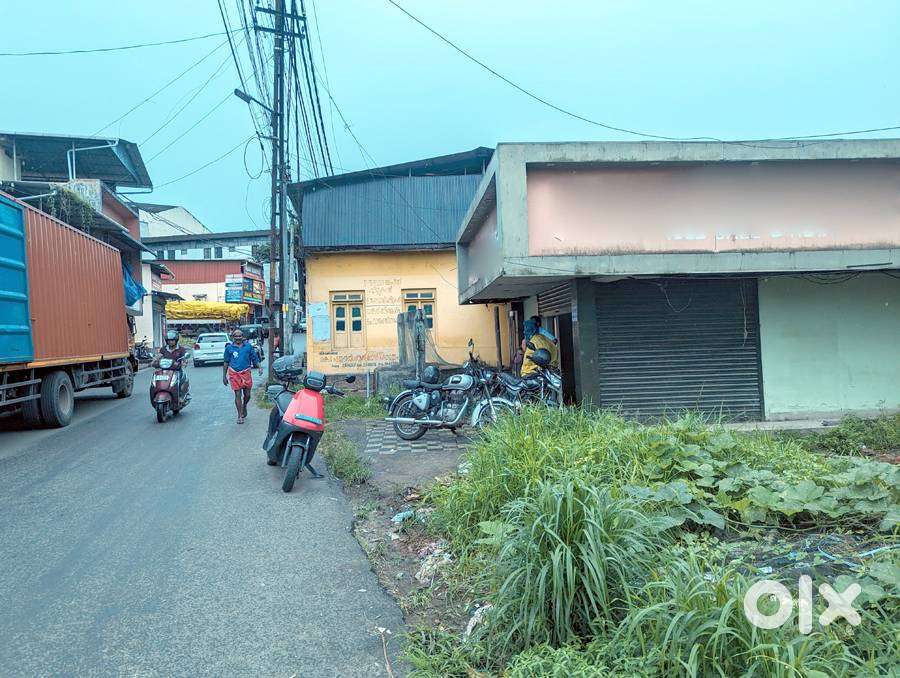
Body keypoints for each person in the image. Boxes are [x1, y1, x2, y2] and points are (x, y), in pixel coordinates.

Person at [223, 329, 262, 424]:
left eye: (239, 336)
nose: (238, 338)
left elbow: (255, 358)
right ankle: (240, 415)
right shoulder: (229, 348)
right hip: (234, 373)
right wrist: (224, 376)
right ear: (233, 337)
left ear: (243, 337)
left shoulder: (248, 347)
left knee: (247, 395)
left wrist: (260, 368)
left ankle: (244, 406)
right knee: (237, 394)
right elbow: (226, 362)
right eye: (236, 336)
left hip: (246, 373)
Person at [152, 329, 190, 399]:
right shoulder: (163, 349)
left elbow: (184, 358)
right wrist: (154, 361)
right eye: (169, 340)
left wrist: (184, 362)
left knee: (181, 380)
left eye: (172, 340)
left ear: (176, 340)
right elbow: (159, 356)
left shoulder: (181, 349)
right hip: (165, 370)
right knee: (156, 379)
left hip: (176, 370)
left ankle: (181, 395)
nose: (170, 342)